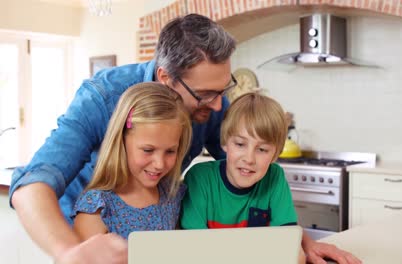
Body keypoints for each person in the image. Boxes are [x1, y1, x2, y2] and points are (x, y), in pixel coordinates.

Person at [9, 13, 236, 263]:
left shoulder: (210, 101)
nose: (218, 106)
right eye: (205, 94)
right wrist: (71, 253)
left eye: (222, 91)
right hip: (84, 242)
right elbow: (31, 186)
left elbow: (239, 164)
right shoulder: (102, 97)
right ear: (165, 78)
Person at [180, 93, 361, 264]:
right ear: (224, 142)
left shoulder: (275, 177)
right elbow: (196, 251)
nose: (249, 159)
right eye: (240, 144)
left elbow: (290, 248)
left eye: (262, 149)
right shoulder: (199, 179)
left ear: (275, 154)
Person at [73, 82, 191, 241]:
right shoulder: (97, 209)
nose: (159, 164)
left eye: (170, 151)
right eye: (148, 150)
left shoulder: (174, 196)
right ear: (121, 140)